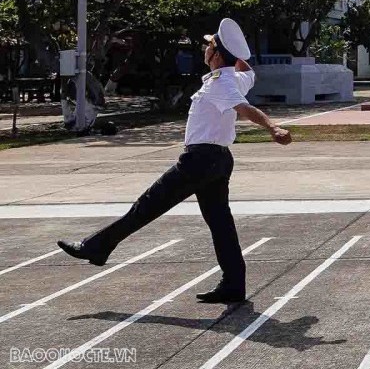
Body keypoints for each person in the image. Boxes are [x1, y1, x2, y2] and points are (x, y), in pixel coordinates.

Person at [57, 19, 292, 304]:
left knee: (146, 205)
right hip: (217, 160)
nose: (205, 49)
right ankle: (233, 284)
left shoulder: (222, 84)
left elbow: (245, 108)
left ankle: (96, 247)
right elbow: (248, 72)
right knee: (220, 223)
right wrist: (235, 55)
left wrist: (272, 127)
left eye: (210, 46)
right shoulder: (234, 78)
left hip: (200, 161)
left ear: (216, 55)